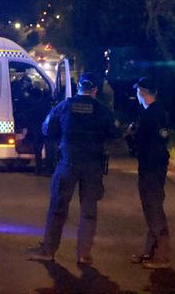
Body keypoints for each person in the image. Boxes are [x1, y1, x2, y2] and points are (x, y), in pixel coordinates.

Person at [27, 72, 118, 265]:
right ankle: (84, 254)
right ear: (94, 90)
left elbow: (47, 129)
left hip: (67, 163)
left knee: (58, 208)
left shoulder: (64, 106)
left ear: (78, 87)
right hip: (93, 165)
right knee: (89, 209)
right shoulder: (102, 110)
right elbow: (114, 133)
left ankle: (48, 250)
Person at [125, 77, 171, 269]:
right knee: (152, 207)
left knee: (153, 208)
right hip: (156, 165)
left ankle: (162, 255)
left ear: (142, 93)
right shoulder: (159, 113)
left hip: (151, 167)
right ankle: (150, 251)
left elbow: (142, 143)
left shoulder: (149, 115)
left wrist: (130, 136)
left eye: (138, 92)